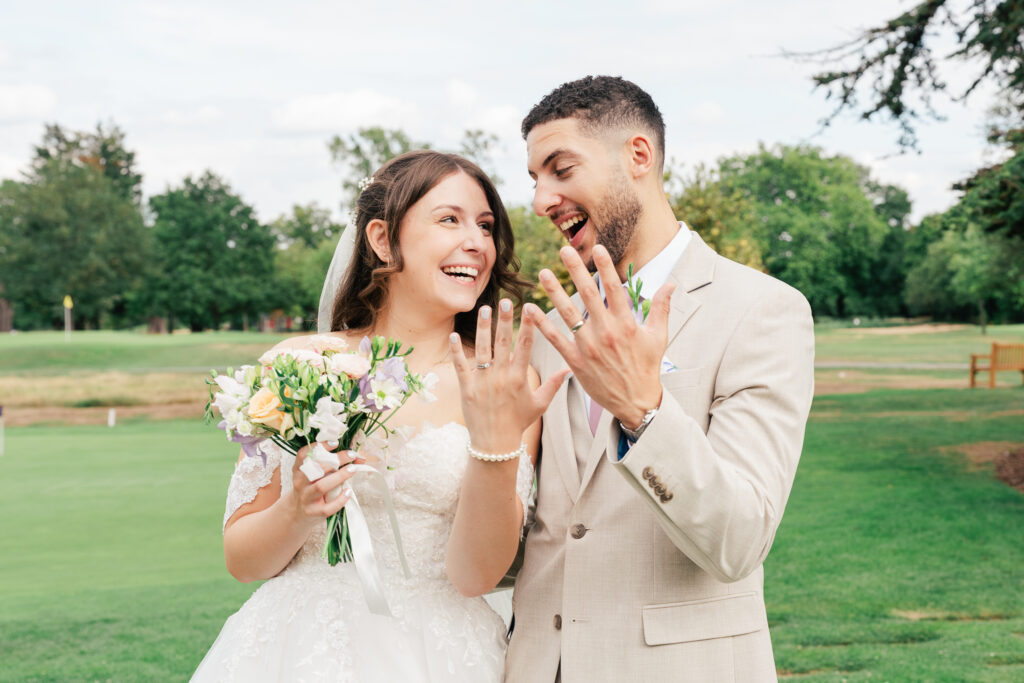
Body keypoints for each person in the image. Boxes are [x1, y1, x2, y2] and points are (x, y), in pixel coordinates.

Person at [192, 150, 567, 682]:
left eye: (486, 226)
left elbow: (475, 575)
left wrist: (493, 444)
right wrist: (298, 509)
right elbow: (242, 561)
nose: (477, 243)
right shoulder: (303, 364)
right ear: (382, 239)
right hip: (299, 650)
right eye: (449, 220)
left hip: (444, 654)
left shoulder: (506, 383)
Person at [504, 76, 815, 682]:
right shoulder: (550, 327)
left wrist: (642, 411)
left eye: (561, 169)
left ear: (638, 156)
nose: (542, 200)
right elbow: (529, 540)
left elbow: (739, 541)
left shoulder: (762, 310)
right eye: (535, 180)